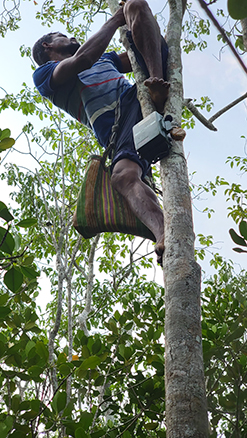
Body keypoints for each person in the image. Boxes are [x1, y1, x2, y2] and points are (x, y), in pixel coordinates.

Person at [32, 0, 170, 265]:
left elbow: (146, 46)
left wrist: (134, 18)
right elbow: (84, 58)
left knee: (136, 5)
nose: (70, 36)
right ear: (48, 46)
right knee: (123, 177)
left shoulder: (106, 59)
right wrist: (115, 20)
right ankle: (164, 232)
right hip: (118, 125)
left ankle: (156, 84)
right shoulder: (46, 75)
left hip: (139, 93)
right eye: (61, 35)